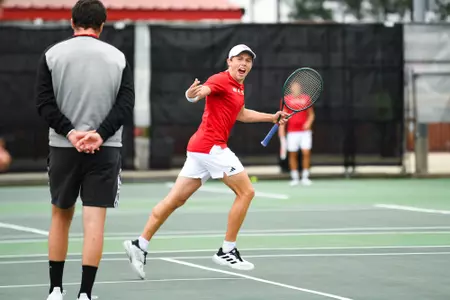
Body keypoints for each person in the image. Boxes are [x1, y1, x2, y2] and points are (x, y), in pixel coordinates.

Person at [123, 44, 287, 278]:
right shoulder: (220, 80)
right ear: (229, 62)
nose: (243, 64)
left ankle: (140, 244)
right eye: (239, 59)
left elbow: (240, 114)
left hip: (200, 148)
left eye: (248, 60)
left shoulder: (239, 88)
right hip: (212, 148)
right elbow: (203, 91)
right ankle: (227, 250)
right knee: (246, 192)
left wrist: (272, 117)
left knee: (174, 200)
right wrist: (192, 94)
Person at [35, 1, 134, 299]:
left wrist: (71, 133)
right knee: (94, 221)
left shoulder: (52, 55)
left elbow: (44, 103)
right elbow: (125, 106)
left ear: (71, 21)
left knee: (59, 216)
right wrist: (99, 135)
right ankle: (85, 295)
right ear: (102, 24)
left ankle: (55, 290)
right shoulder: (117, 57)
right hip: (105, 151)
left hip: (64, 148)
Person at [278, 81, 315, 186]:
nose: (296, 88)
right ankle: (294, 177)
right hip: (292, 132)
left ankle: (305, 177)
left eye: (297, 87)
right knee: (292, 154)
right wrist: (281, 130)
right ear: (291, 88)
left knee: (306, 153)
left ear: (300, 88)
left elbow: (311, 115)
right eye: (294, 87)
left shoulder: (306, 98)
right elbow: (283, 116)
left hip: (305, 132)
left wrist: (308, 123)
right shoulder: (286, 100)